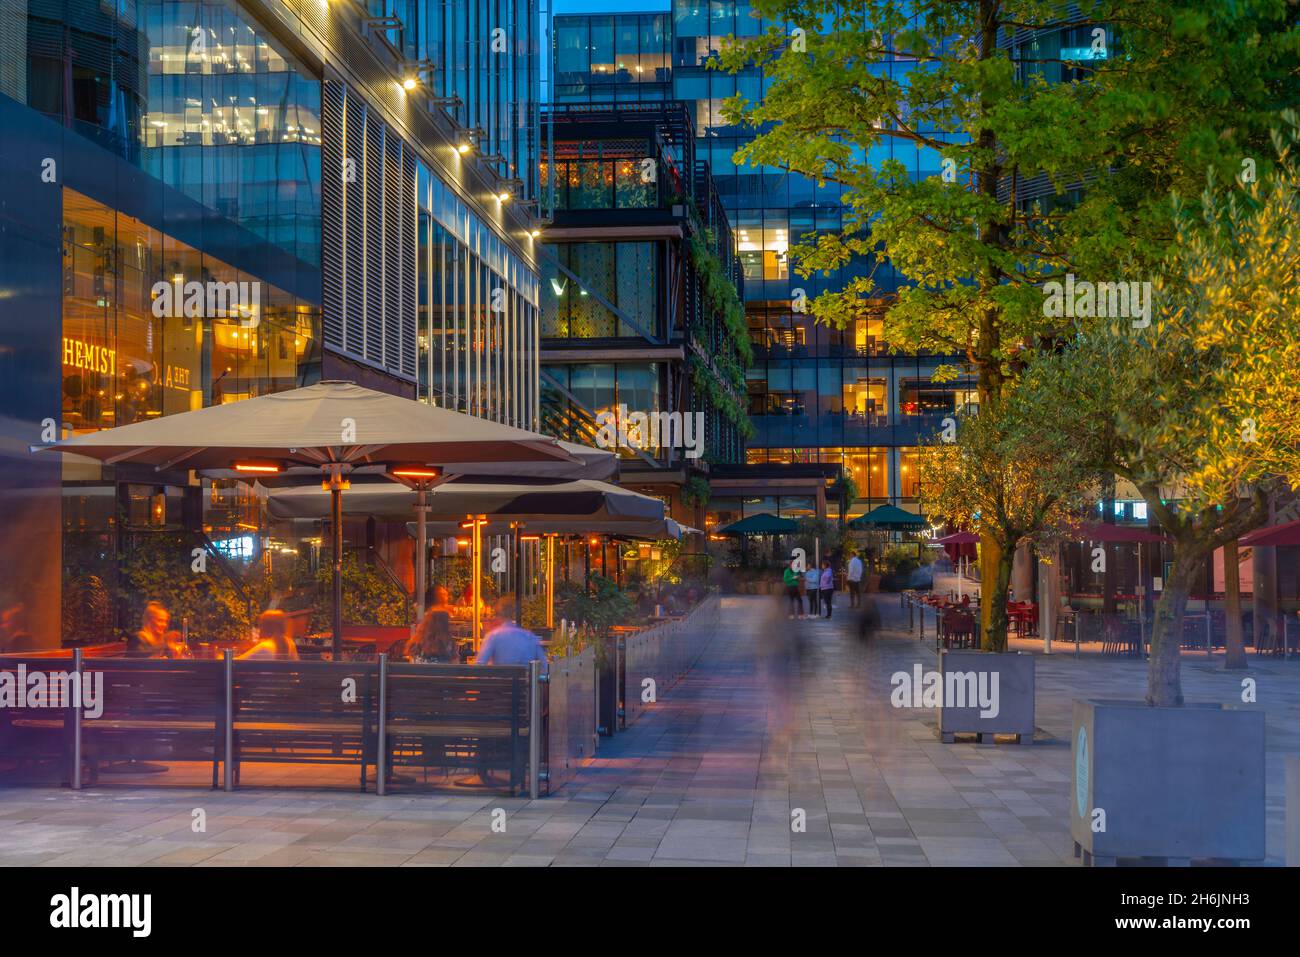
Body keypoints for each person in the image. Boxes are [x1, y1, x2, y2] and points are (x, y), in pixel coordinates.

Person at [475, 597, 548, 674]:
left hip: (500, 684)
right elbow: (544, 667)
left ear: (498, 616)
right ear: (513, 614)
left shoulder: (492, 636)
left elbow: (479, 666)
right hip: (524, 685)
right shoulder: (529, 636)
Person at [412, 586, 456, 662]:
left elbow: (413, 661)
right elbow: (456, 666)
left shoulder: (417, 643)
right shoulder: (448, 644)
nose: (447, 597)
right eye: (443, 594)